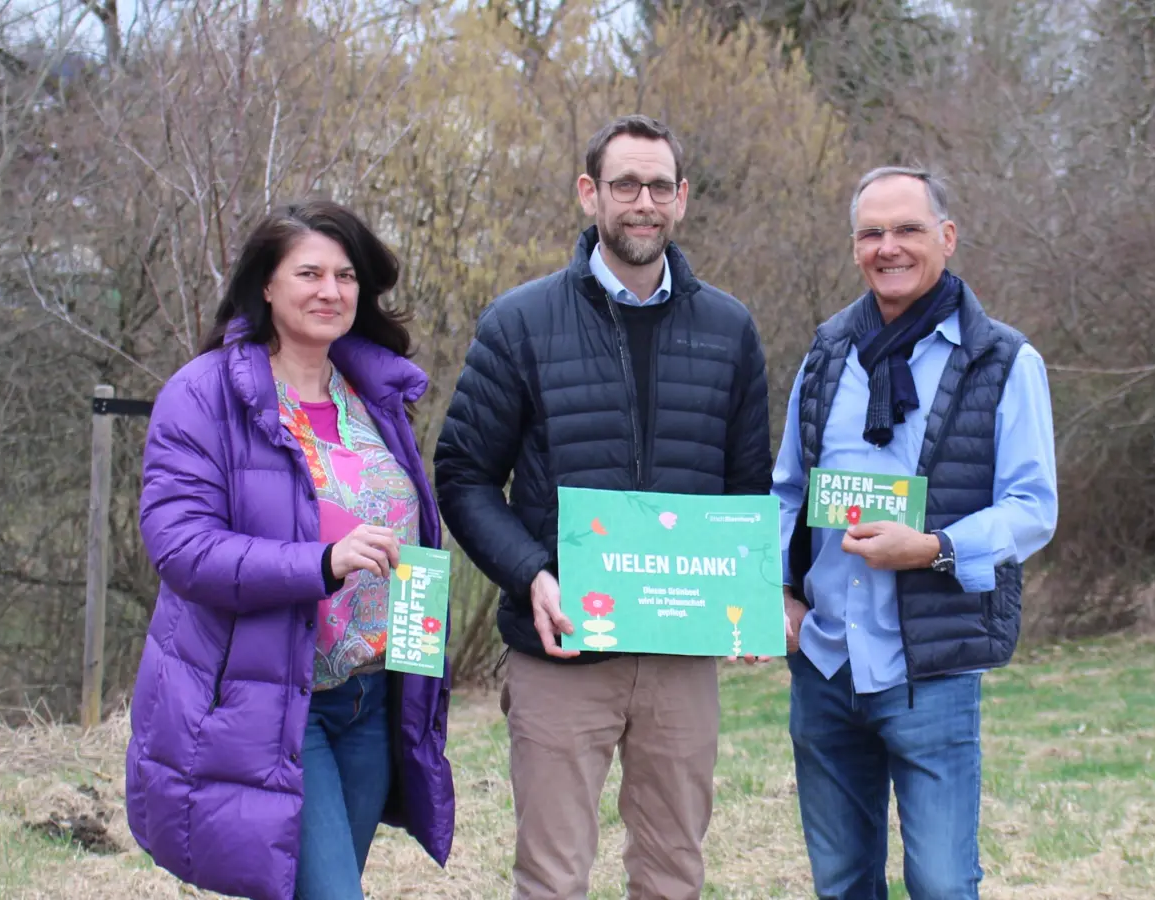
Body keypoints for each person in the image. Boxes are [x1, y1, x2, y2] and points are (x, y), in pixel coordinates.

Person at [433, 114, 772, 900]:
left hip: (682, 651)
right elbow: (463, 475)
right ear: (591, 194)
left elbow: (749, 486)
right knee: (552, 879)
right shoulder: (520, 322)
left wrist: (750, 596)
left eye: (658, 186)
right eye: (625, 185)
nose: (642, 202)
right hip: (562, 647)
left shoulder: (730, 328)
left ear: (682, 198)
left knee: (673, 873)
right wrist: (531, 574)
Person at [126, 200, 455, 900]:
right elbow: (182, 549)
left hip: (371, 696)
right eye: (309, 273)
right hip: (272, 702)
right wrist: (321, 562)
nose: (330, 290)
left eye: (345, 276)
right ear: (267, 285)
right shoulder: (204, 395)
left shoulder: (374, 396)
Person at [772, 167, 1059, 899]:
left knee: (941, 883)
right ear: (854, 246)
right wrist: (778, 591)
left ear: (947, 237)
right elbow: (788, 491)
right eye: (871, 233)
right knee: (841, 884)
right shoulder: (826, 354)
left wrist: (933, 549)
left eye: (908, 229)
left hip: (930, 668)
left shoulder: (1004, 361)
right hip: (826, 664)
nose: (888, 247)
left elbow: (1032, 506)